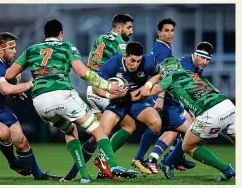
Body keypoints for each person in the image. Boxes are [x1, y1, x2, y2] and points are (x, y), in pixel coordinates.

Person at [5, 19, 135, 184]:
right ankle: (113, 165)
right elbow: (83, 73)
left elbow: (9, 74)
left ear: (45, 35)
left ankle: (84, 175)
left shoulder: (31, 49)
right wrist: (108, 86)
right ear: (61, 34)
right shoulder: (66, 46)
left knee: (69, 130)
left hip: (40, 102)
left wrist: (18, 86)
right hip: (63, 94)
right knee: (97, 129)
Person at [132, 57, 235, 181]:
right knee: (235, 137)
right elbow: (216, 90)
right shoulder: (192, 74)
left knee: (188, 146)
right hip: (228, 106)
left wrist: (140, 88)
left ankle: (227, 171)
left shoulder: (170, 76)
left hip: (210, 112)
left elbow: (150, 92)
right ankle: (168, 162)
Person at [63, 14, 136, 181]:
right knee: (129, 125)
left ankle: (73, 174)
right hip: (104, 90)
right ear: (118, 28)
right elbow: (127, 65)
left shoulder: (100, 39)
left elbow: (89, 62)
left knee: (99, 135)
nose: (131, 31)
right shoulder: (120, 43)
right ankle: (104, 162)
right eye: (129, 27)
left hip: (92, 89)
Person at [0, 32, 60, 180]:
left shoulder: (1, 62)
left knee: (21, 141)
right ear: (0, 49)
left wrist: (14, 90)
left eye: (15, 47)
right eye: (11, 48)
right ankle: (13, 162)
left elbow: (3, 85)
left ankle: (39, 176)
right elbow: (5, 89)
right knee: (4, 133)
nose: (15, 51)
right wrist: (31, 83)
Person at [90, 41, 163, 178]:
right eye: (132, 60)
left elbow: (158, 74)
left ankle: (138, 158)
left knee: (156, 124)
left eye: (138, 61)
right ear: (125, 56)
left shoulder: (148, 62)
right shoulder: (113, 64)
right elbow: (95, 86)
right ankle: (103, 164)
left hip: (137, 102)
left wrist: (148, 84)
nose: (135, 65)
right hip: (118, 101)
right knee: (103, 133)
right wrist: (109, 95)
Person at [132, 18, 195, 174]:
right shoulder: (162, 49)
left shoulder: (163, 47)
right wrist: (160, 97)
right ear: (159, 32)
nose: (170, 33)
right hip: (162, 96)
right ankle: (164, 159)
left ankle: (169, 158)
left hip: (164, 96)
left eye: (172, 30)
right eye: (166, 30)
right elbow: (162, 75)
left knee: (165, 127)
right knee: (186, 130)